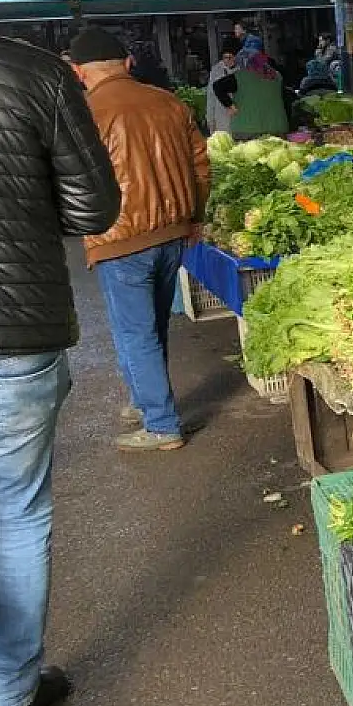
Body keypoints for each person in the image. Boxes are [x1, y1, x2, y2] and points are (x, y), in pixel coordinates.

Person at [0, 0, 119, 706]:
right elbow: (92, 207)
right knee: (14, 516)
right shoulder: (35, 73)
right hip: (13, 336)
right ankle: (12, 693)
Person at [70, 28, 211, 452]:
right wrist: (195, 218)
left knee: (135, 331)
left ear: (79, 72)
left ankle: (162, 424)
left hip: (120, 236)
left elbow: (73, 182)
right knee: (150, 325)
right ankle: (143, 399)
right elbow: (201, 165)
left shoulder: (84, 113)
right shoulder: (169, 102)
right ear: (128, 63)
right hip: (172, 230)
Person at [211, 36, 289, 137]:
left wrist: (230, 106)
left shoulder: (241, 76)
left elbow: (217, 86)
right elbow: (286, 99)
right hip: (278, 128)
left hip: (247, 130)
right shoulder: (277, 76)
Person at [205, 49, 236, 135]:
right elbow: (211, 96)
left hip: (239, 119)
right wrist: (210, 119)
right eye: (225, 57)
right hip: (221, 118)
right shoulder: (216, 70)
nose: (228, 60)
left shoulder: (241, 70)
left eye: (230, 57)